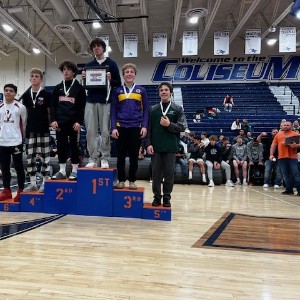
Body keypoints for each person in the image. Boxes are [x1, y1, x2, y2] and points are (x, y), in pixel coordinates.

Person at [145, 82, 186, 207]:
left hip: (171, 146)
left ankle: (167, 198)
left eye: (166, 90)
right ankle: (157, 197)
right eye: (161, 90)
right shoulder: (153, 109)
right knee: (156, 174)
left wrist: (169, 125)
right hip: (156, 147)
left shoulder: (178, 109)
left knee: (169, 174)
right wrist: (148, 144)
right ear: (159, 93)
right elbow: (149, 128)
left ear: (170, 92)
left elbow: (182, 127)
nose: (164, 92)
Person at [83, 38, 121, 169]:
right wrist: (84, 79)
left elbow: (118, 83)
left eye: (99, 46)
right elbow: (86, 87)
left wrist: (111, 79)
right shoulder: (88, 65)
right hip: (90, 101)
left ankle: (105, 158)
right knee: (90, 132)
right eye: (94, 46)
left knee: (105, 131)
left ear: (103, 48)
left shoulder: (112, 64)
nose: (96, 48)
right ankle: (92, 158)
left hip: (106, 101)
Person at [111, 63, 149, 190]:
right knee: (120, 156)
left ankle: (132, 180)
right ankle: (121, 180)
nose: (129, 74)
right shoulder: (117, 91)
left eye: (131, 72)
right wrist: (113, 128)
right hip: (120, 127)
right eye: (126, 72)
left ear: (135, 74)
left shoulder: (141, 90)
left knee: (134, 156)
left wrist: (144, 126)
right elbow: (113, 111)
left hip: (135, 127)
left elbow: (146, 110)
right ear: (123, 75)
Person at [50, 61, 86, 180]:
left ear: (74, 72)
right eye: (64, 69)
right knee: (61, 146)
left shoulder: (79, 88)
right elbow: (53, 106)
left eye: (68, 69)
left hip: (73, 122)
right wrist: (53, 119)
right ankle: (62, 170)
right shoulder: (57, 88)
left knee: (74, 146)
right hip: (60, 122)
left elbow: (82, 107)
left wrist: (79, 122)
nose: (66, 71)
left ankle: (75, 170)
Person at [19, 68, 51, 193]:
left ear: (41, 79)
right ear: (29, 78)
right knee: (30, 158)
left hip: (43, 130)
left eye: (36, 76)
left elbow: (50, 111)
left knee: (45, 158)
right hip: (30, 130)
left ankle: (45, 182)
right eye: (32, 76)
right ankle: (32, 184)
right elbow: (24, 113)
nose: (34, 78)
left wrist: (51, 122)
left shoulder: (47, 94)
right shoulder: (26, 95)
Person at [0, 84, 27, 202]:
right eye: (6, 91)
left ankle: (21, 190)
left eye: (11, 91)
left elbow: (24, 123)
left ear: (15, 93)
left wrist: (21, 138)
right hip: (2, 141)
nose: (8, 93)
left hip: (16, 141)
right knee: (4, 168)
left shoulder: (20, 107)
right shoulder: (0, 107)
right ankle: (6, 191)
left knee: (18, 167)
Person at [269, 121, 300, 195]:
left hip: (292, 158)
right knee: (285, 175)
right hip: (281, 157)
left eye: (288, 125)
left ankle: (299, 189)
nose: (286, 126)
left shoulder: (296, 134)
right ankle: (289, 189)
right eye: (284, 125)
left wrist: (296, 146)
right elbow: (273, 145)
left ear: (291, 126)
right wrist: (271, 155)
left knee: (295, 174)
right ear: (281, 126)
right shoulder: (278, 135)